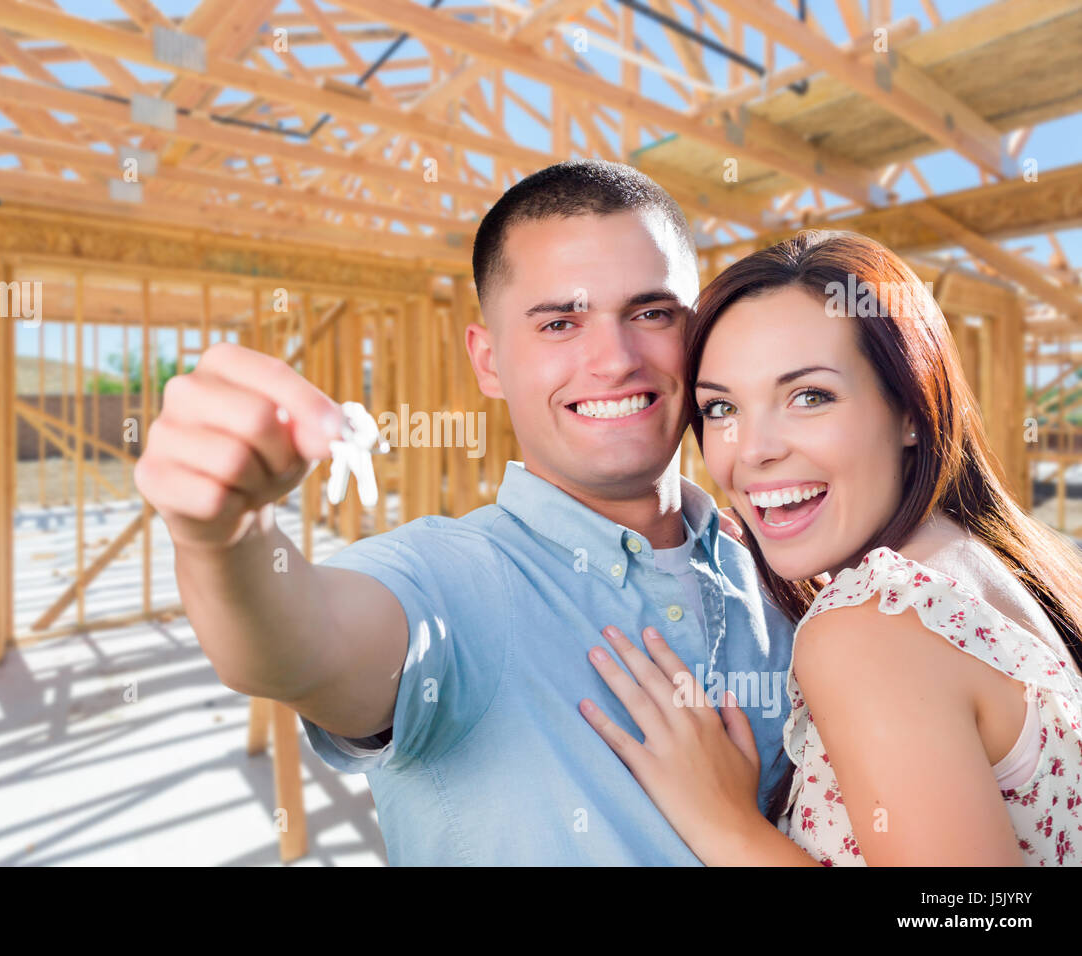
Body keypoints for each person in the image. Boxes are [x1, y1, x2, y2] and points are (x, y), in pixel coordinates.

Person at [132, 159, 796, 865]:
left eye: (652, 313)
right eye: (560, 323)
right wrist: (223, 540)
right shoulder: (450, 578)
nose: (614, 359)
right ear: (488, 361)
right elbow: (299, 645)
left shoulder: (775, 566)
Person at [577, 230, 1082, 866]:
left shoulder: (870, 630)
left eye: (809, 396)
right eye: (722, 407)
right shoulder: (990, 562)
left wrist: (727, 825)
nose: (752, 449)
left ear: (910, 409)